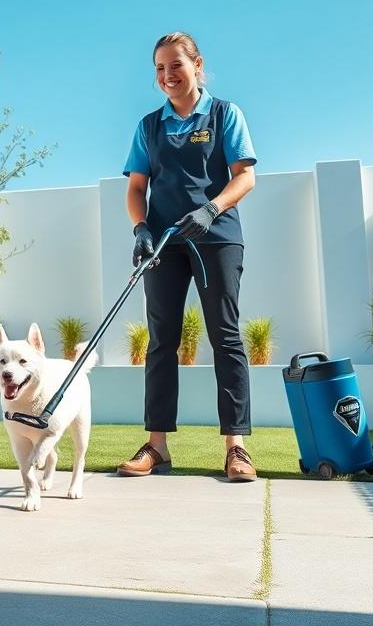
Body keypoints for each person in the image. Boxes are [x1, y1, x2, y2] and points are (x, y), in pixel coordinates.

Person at [116, 32, 258, 482]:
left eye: (175, 64)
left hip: (216, 237)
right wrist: (140, 228)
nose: (167, 75)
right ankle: (156, 447)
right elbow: (137, 188)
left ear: (197, 65)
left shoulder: (223, 114)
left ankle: (236, 449)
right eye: (159, 68)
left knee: (225, 336)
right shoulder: (149, 126)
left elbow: (245, 177)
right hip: (164, 243)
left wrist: (213, 208)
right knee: (161, 341)